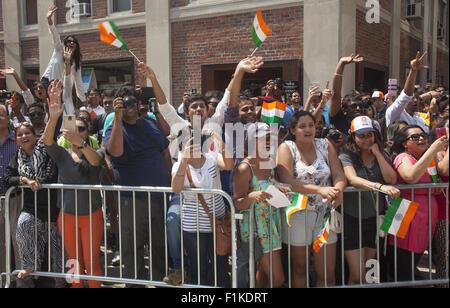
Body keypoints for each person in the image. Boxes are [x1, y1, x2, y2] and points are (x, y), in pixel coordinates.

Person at [104, 85, 171, 284]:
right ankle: (135, 284)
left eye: (132, 100)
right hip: (131, 199)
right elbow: (114, 152)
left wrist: (168, 179)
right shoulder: (113, 128)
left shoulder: (150, 123)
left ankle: (160, 281)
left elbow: (165, 151)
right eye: (124, 102)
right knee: (132, 247)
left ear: (139, 102)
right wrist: (117, 117)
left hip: (159, 196)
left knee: (160, 245)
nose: (129, 105)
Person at [43, 80, 104, 288]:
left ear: (88, 132)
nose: (77, 132)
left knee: (92, 262)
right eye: (74, 128)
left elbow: (96, 162)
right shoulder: (62, 155)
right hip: (67, 216)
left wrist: (82, 144)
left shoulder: (95, 151)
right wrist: (53, 117)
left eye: (82, 129)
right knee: (73, 263)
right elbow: (47, 141)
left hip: (91, 215)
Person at [277, 111, 347, 287]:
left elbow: (339, 174)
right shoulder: (286, 147)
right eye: (302, 126)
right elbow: (287, 181)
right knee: (300, 269)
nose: (308, 129)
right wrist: (321, 190)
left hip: (325, 215)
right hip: (297, 215)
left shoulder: (325, 145)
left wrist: (338, 191)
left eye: (311, 125)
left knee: (327, 272)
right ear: (293, 130)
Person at [339, 116, 401, 284]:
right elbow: (352, 179)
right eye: (362, 135)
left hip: (374, 220)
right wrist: (380, 187)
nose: (367, 139)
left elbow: (392, 179)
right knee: (357, 273)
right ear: (353, 137)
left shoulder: (380, 154)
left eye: (370, 135)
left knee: (368, 271)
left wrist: (378, 155)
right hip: (352, 219)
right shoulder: (346, 155)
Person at [3, 122, 62, 287]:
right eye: (20, 135)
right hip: (31, 208)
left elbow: (54, 127)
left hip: (53, 207)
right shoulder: (18, 157)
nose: (24, 137)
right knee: (22, 225)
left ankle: (60, 281)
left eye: (27, 133)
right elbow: (7, 179)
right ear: (16, 140)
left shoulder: (47, 150)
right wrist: (24, 179)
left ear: (35, 136)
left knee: (56, 247)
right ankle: (29, 266)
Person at [171, 129, 234, 286]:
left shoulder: (212, 158)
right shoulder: (179, 165)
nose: (194, 145)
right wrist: (184, 160)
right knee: (199, 269)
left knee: (221, 266)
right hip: (193, 226)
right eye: (189, 142)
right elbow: (176, 189)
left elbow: (229, 165)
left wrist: (219, 140)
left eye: (197, 141)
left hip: (218, 223)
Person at [388, 125, 448, 281]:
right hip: (402, 210)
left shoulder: (428, 158)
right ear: (404, 143)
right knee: (400, 262)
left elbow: (436, 178)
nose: (421, 138)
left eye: (423, 135)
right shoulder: (402, 157)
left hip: (424, 216)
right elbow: (411, 177)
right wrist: (432, 150)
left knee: (414, 259)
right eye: (415, 137)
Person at [233, 123, 289, 288]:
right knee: (277, 280)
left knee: (264, 276)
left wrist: (279, 189)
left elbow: (268, 185)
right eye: (263, 138)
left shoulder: (270, 162)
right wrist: (251, 196)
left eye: (271, 138)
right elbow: (237, 203)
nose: (268, 142)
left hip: (273, 225)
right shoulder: (244, 168)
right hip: (255, 230)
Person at [42, 5, 86, 103]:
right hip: (47, 83)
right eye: (69, 41)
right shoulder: (59, 49)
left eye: (74, 41)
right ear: (64, 43)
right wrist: (49, 19)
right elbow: (54, 34)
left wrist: (83, 100)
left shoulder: (76, 62)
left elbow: (78, 82)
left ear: (76, 45)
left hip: (61, 89)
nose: (71, 43)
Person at [385, 52, 430, 134]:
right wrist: (413, 71)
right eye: (412, 98)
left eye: (417, 98)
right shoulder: (394, 113)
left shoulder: (420, 118)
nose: (416, 100)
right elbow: (406, 95)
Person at [0, 104, 18, 279]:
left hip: (14, 198)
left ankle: (21, 280)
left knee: (17, 240)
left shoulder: (17, 141)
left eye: (0, 114)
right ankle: (3, 278)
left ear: (7, 118)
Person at [329, 54, 365, 135]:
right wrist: (342, 63)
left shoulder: (366, 123)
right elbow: (336, 93)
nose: (358, 108)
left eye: (361, 105)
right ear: (344, 110)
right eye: (353, 106)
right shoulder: (338, 119)